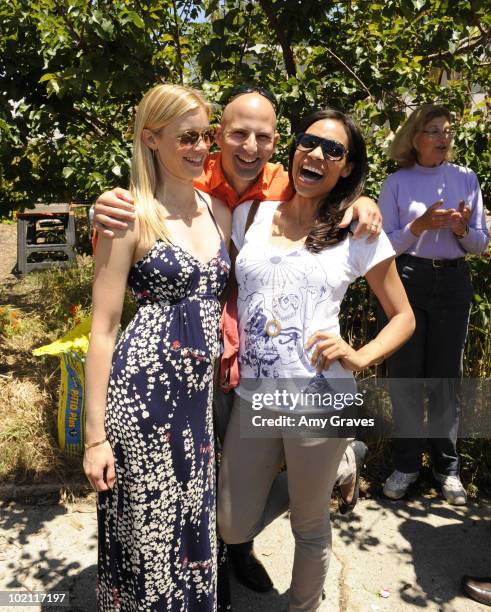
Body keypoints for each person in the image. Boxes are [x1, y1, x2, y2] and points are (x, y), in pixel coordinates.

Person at [92, 85, 379, 593]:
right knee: (221, 493)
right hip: (200, 367)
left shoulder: (279, 185)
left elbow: (332, 194)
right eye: (237, 134)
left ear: (275, 144)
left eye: (263, 137)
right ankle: (224, 552)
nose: (250, 147)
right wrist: (107, 206)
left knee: (231, 490)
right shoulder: (193, 173)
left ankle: (240, 552)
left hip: (253, 365)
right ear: (219, 135)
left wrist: (365, 201)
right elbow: (147, 202)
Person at [217, 109, 415, 612]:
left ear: (347, 168)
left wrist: (359, 355)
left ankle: (303, 605)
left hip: (320, 397)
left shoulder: (358, 232)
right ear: (294, 148)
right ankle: (339, 465)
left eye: (335, 151)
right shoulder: (250, 216)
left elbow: (403, 317)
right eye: (310, 141)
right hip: (254, 396)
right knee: (231, 523)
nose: (318, 154)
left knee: (310, 524)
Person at [83, 83, 231, 610]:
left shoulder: (218, 210)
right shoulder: (129, 217)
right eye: (186, 137)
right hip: (141, 400)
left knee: (193, 528)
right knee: (148, 537)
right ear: (151, 138)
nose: (200, 148)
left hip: (196, 406)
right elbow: (103, 327)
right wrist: (94, 436)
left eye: (205, 136)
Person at [379, 104, 489, 505]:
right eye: (433, 131)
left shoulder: (465, 178)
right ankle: (406, 464)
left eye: (447, 130)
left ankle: (448, 469)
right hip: (406, 278)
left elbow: (480, 244)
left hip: (454, 279)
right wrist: (418, 227)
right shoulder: (397, 182)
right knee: (405, 376)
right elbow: (383, 246)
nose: (443, 138)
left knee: (446, 378)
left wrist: (462, 229)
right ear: (415, 138)